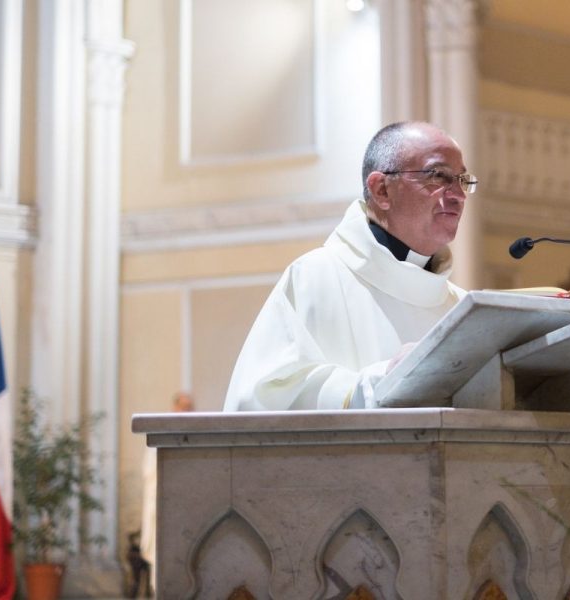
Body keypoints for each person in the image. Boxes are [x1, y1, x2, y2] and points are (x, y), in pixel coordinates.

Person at [224, 121, 477, 411]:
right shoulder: (315, 277)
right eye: (439, 176)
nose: (457, 194)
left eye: (463, 180)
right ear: (382, 189)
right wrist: (379, 383)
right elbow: (266, 398)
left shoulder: (460, 306)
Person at [139, 391, 194, 595]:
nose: (187, 412)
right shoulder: (162, 434)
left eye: (190, 408)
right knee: (162, 554)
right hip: (164, 505)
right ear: (174, 408)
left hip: (187, 508)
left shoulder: (198, 437)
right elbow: (150, 473)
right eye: (183, 407)